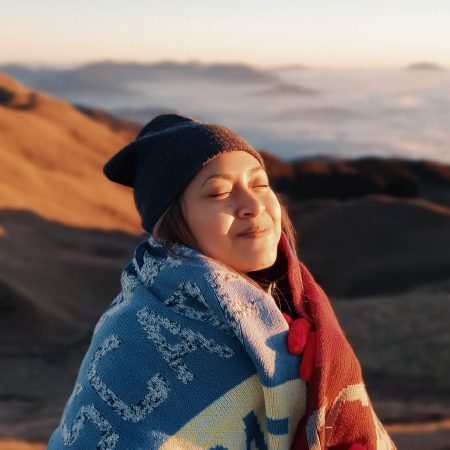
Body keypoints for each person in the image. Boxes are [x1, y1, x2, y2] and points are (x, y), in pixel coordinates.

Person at [47, 114, 396, 449]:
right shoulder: (137, 335)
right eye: (218, 193)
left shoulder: (298, 304)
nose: (252, 205)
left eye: (260, 183)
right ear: (171, 226)